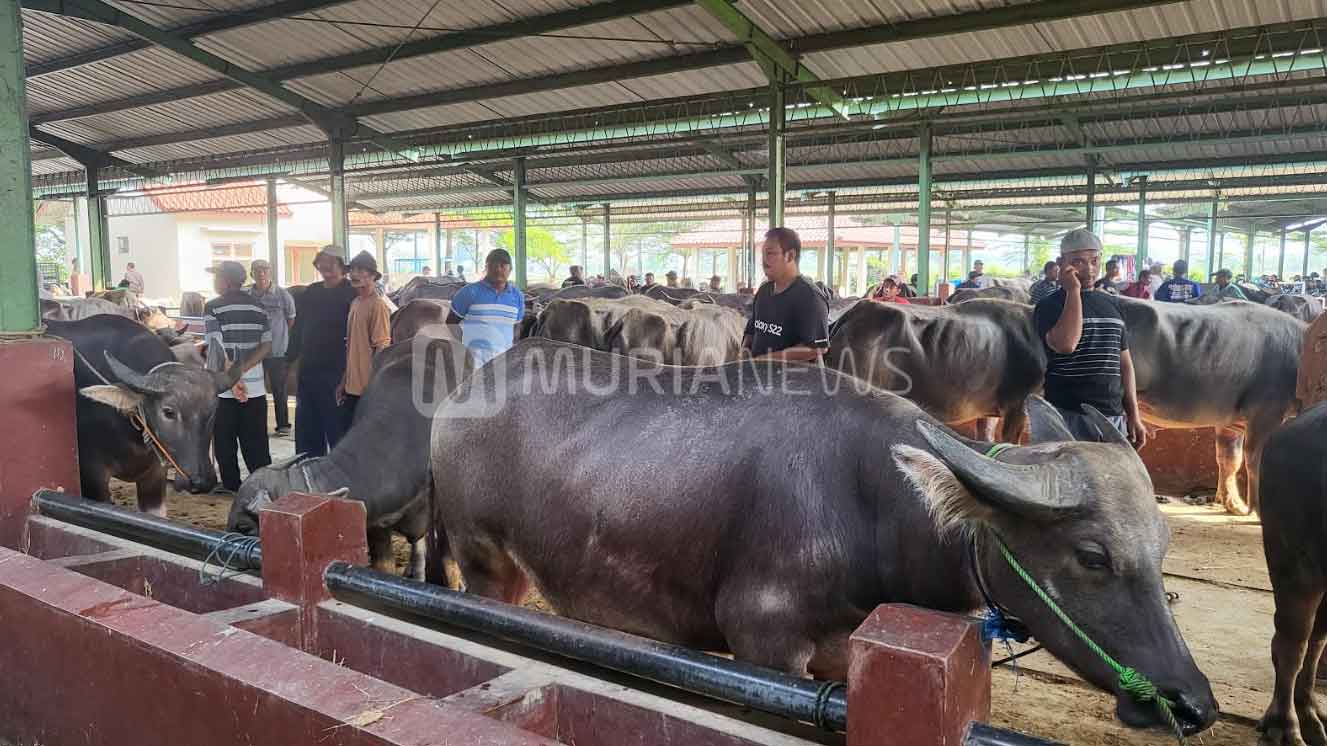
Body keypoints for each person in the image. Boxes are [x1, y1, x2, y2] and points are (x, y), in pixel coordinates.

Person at [1033, 229, 1146, 447]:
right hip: (1066, 416)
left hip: (1111, 417)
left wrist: (1134, 414)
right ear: (1061, 262)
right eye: (1079, 262)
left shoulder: (1112, 304)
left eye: (1094, 261)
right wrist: (1073, 292)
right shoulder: (1050, 306)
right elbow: (1066, 344)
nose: (1089, 269)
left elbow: (1125, 364)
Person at [204, 261, 272, 493]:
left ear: (226, 281)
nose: (214, 282)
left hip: (225, 388)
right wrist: (243, 371)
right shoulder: (259, 306)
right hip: (255, 387)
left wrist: (233, 379)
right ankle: (262, 488)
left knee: (225, 441)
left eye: (216, 277)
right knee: (256, 442)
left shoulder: (213, 307)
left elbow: (217, 346)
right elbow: (266, 345)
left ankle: (232, 487)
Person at [291, 247, 356, 457]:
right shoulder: (311, 292)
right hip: (309, 370)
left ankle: (339, 478)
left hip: (339, 373)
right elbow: (299, 328)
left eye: (332, 263)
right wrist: (290, 361)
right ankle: (308, 470)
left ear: (342, 267)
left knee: (337, 427)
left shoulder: (353, 294)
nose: (326, 267)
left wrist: (349, 374)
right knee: (307, 426)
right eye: (322, 262)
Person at [742, 228, 830, 361]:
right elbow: (751, 331)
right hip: (756, 375)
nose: (764, 261)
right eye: (763, 254)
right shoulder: (764, 291)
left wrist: (766, 360)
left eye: (770, 253)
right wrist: (743, 353)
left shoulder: (809, 296)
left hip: (792, 379)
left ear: (790, 256)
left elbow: (817, 348)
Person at [339, 252, 393, 426]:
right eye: (352, 270)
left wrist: (374, 386)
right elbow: (352, 348)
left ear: (372, 276)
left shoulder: (377, 305)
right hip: (352, 387)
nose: (354, 274)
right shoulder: (355, 303)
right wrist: (344, 382)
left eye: (361, 270)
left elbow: (382, 347)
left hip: (367, 389)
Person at [448, 249, 526, 366]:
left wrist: (511, 352)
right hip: (472, 361)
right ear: (486, 267)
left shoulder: (517, 296)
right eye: (493, 264)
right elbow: (450, 324)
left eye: (503, 265)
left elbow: (516, 327)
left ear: (510, 269)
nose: (498, 269)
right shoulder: (469, 292)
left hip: (503, 363)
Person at [247, 259, 296, 436]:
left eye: (265, 270)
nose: (261, 273)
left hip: (276, 351)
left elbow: (290, 320)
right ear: (251, 273)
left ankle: (283, 425)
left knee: (278, 388)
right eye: (257, 270)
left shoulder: (283, 295)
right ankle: (255, 425)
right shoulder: (246, 295)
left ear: (270, 273)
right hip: (253, 352)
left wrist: (277, 336)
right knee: (254, 389)